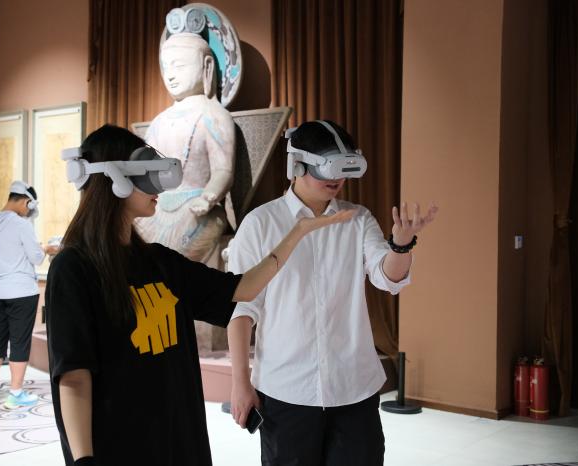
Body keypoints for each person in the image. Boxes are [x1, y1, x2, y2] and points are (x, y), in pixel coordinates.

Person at [44, 124, 353, 466]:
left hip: (179, 441)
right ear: (114, 178)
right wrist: (84, 460)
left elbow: (242, 288)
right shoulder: (73, 269)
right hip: (119, 447)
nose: (157, 186)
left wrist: (297, 233)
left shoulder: (159, 262)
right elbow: (73, 376)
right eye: (145, 171)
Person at [227, 120, 439, 466]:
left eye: (345, 169)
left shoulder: (357, 220)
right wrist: (240, 382)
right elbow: (241, 310)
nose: (337, 179)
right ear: (297, 165)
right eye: (328, 168)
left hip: (353, 389)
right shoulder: (260, 224)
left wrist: (401, 245)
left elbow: (387, 277)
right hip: (286, 391)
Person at [135, 30, 235, 263]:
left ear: (206, 66)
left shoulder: (214, 115)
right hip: (158, 207)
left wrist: (208, 197)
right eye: (166, 67)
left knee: (179, 255)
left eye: (179, 66)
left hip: (197, 208)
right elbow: (144, 172)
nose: (170, 75)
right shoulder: (159, 122)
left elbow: (223, 171)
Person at [0, 180, 58, 409]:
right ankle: (15, 393)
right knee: (19, 341)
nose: (29, 214)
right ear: (26, 202)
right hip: (21, 291)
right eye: (29, 209)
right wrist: (46, 248)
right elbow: (36, 257)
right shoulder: (21, 225)